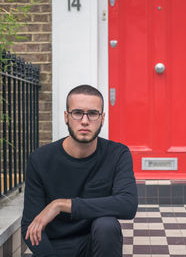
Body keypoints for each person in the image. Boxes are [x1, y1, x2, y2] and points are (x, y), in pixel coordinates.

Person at [21, 84, 138, 257]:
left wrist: (60, 204)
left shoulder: (117, 154)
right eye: (77, 113)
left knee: (107, 225)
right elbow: (30, 226)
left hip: (95, 244)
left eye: (92, 113)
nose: (84, 121)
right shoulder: (40, 159)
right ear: (66, 117)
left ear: (102, 118)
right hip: (56, 248)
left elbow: (128, 205)